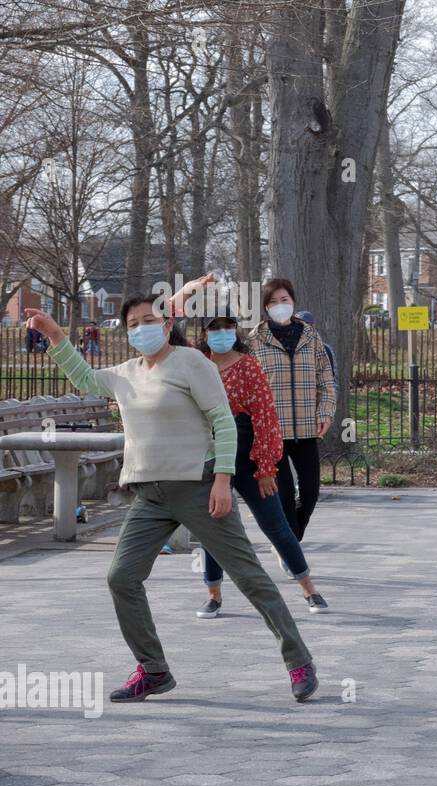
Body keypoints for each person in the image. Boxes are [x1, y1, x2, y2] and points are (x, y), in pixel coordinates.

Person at [24, 291, 318, 703]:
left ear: (166, 325)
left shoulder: (192, 362)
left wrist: (222, 480)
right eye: (132, 324)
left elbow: (223, 421)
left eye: (149, 320)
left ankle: (299, 661)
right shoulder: (126, 373)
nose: (141, 328)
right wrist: (55, 335)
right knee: (121, 578)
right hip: (149, 495)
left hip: (199, 487)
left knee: (249, 576)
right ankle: (153, 670)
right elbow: (85, 379)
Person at [194, 304, 330, 617]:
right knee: (212, 527)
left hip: (249, 457)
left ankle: (309, 587)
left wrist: (266, 466)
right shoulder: (196, 365)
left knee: (276, 525)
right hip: (211, 456)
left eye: (227, 326)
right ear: (203, 333)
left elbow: (266, 418)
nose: (221, 333)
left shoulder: (248, 367)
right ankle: (213, 594)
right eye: (214, 328)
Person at [249, 278, 337, 545]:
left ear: (293, 302)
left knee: (310, 492)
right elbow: (250, 385)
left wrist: (326, 411)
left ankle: (290, 542)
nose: (280, 306)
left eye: (284, 300)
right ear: (265, 307)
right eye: (273, 302)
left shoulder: (311, 336)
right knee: (284, 494)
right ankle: (291, 550)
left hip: (307, 428)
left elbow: (326, 379)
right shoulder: (254, 340)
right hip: (273, 431)